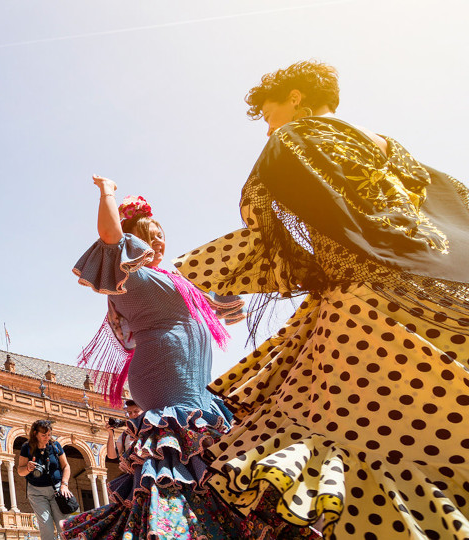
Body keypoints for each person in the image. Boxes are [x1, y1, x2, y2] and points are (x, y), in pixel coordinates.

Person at [177, 60, 469, 539]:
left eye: (268, 115)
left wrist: (200, 271)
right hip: (441, 301)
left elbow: (267, 228)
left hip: (365, 313)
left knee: (372, 453)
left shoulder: (295, 139)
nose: (268, 128)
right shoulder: (392, 149)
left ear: (295, 98)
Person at [59, 184, 274, 539]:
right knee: (178, 462)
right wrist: (107, 193)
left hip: (198, 385)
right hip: (165, 378)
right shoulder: (130, 276)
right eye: (152, 235)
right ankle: (175, 529)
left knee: (202, 462)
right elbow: (111, 238)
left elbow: (226, 293)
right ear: (136, 240)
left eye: (162, 235)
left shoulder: (179, 280)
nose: (160, 241)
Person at [16, 420, 71, 540]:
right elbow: (20, 471)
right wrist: (28, 468)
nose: (47, 438)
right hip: (37, 493)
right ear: (35, 433)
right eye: (43, 435)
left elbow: (66, 466)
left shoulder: (55, 446)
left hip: (57, 490)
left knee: (63, 525)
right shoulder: (27, 447)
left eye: (49, 434)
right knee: (46, 526)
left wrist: (64, 485)